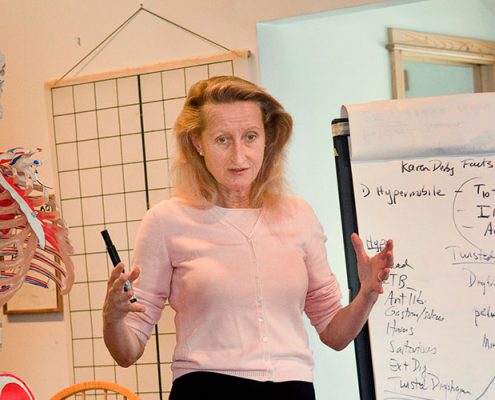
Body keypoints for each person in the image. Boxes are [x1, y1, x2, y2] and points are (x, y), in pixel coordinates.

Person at [103, 75, 393, 400]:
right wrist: (112, 318)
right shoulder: (167, 221)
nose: (239, 156)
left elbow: (334, 334)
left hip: (293, 390)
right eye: (223, 140)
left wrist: (367, 293)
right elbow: (127, 352)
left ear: (267, 138)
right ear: (198, 142)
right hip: (206, 390)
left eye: (250, 137)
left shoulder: (299, 216)